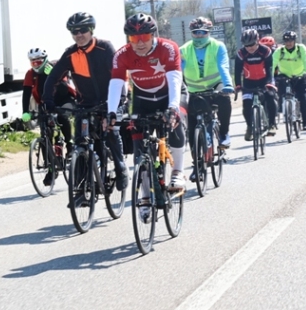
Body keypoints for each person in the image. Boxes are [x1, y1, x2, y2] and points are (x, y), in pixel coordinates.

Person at [47, 11, 125, 189]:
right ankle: (81, 187)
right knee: (80, 141)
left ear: (91, 30)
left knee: (111, 132)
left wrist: (118, 101)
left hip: (110, 101)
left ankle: (121, 169)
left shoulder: (105, 47)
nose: (79, 35)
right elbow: (53, 78)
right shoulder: (70, 54)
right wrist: (48, 100)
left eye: (83, 30)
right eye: (74, 32)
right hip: (85, 103)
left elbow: (118, 76)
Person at [111, 13, 188, 192]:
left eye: (144, 37)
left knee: (175, 122)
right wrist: (112, 112)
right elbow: (116, 83)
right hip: (143, 99)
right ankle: (145, 195)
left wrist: (173, 108)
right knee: (139, 145)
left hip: (170, 95)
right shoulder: (122, 54)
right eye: (134, 38)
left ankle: (178, 171)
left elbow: (175, 79)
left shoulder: (168, 48)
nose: (139, 43)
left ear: (153, 35)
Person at [180, 17, 234, 151]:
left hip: (215, 84)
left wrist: (228, 84)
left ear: (209, 32)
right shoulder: (183, 50)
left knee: (224, 99)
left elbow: (223, 66)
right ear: (191, 33)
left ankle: (224, 133)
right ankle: (196, 159)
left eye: (203, 32)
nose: (199, 35)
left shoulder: (218, 46)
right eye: (196, 32)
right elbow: (178, 71)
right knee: (192, 126)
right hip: (193, 89)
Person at [235, 29, 277, 133]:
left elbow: (269, 69)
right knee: (246, 104)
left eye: (252, 44)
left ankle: (272, 124)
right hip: (249, 82)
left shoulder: (265, 51)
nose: (249, 47)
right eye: (246, 45)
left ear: (257, 41)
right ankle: (249, 127)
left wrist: (269, 83)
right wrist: (238, 85)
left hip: (264, 80)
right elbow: (237, 71)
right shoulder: (241, 53)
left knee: (270, 98)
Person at [273, 31, 306, 130]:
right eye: (286, 41)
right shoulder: (279, 51)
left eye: (291, 41)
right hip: (285, 76)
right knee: (281, 94)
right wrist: (270, 77)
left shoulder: (301, 49)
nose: (288, 43)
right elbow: (272, 64)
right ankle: (284, 111)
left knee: (303, 97)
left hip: (300, 76)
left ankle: (305, 122)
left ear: (295, 41)